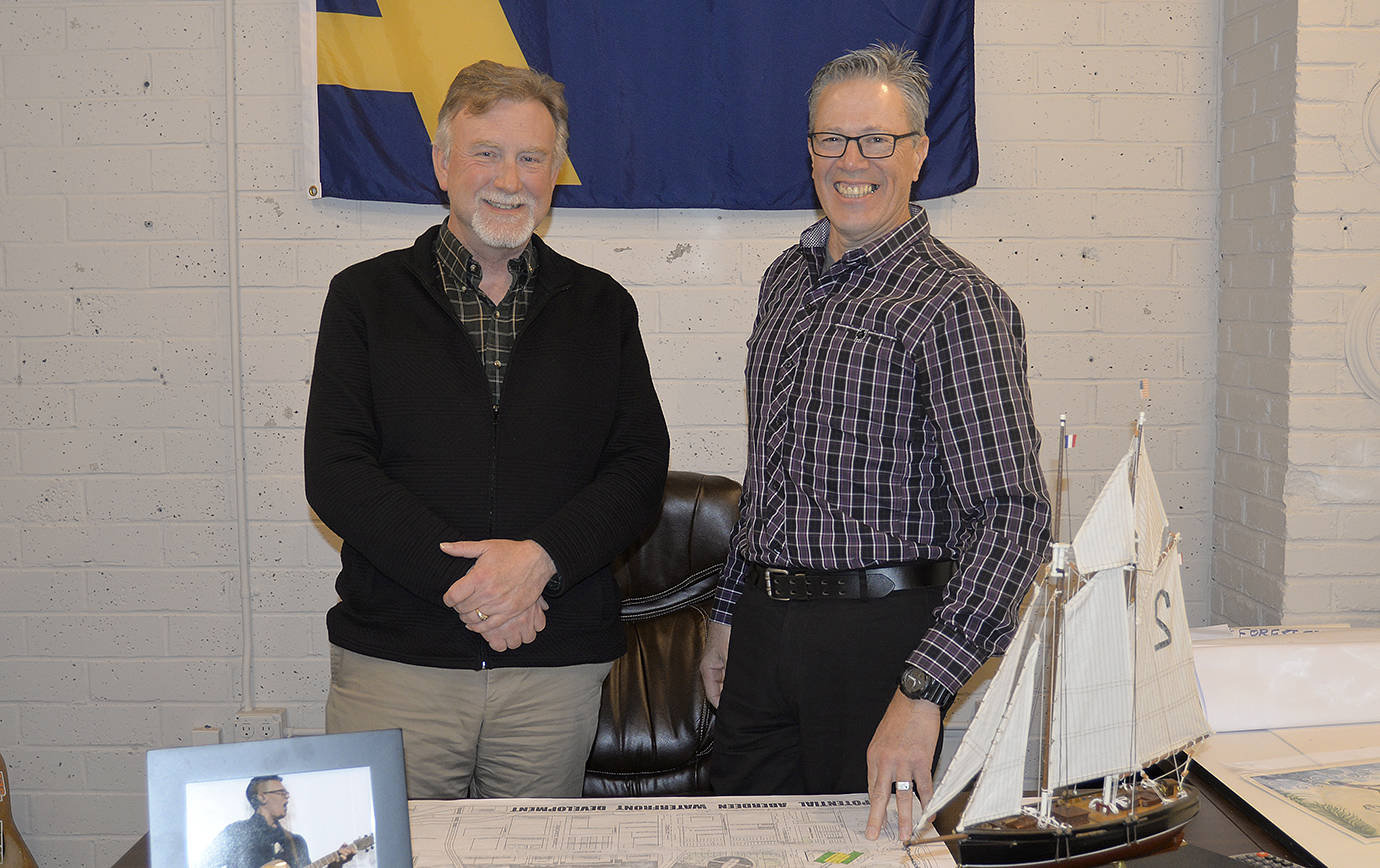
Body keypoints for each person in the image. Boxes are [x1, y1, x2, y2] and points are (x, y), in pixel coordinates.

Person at [699, 44, 1050, 842]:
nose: (852, 161)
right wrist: (728, 615)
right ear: (810, 150)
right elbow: (770, 473)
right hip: (763, 628)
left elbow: (1013, 514)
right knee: (744, 846)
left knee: (864, 853)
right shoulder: (786, 280)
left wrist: (924, 690)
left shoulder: (957, 302)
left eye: (877, 140)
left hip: (882, 642)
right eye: (833, 139)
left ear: (919, 152)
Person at [304, 60, 670, 799]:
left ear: (555, 173)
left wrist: (539, 563)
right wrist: (474, 587)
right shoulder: (364, 298)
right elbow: (337, 473)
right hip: (398, 665)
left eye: (532, 157)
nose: (510, 178)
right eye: (486, 153)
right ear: (443, 164)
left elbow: (637, 468)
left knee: (536, 852)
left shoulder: (603, 307)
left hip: (552, 668)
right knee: (391, 849)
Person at [200, 776, 355, 868]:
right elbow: (204, 864)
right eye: (281, 793)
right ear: (262, 797)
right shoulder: (236, 833)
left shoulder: (295, 842)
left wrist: (336, 864)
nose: (287, 798)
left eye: (286, 794)